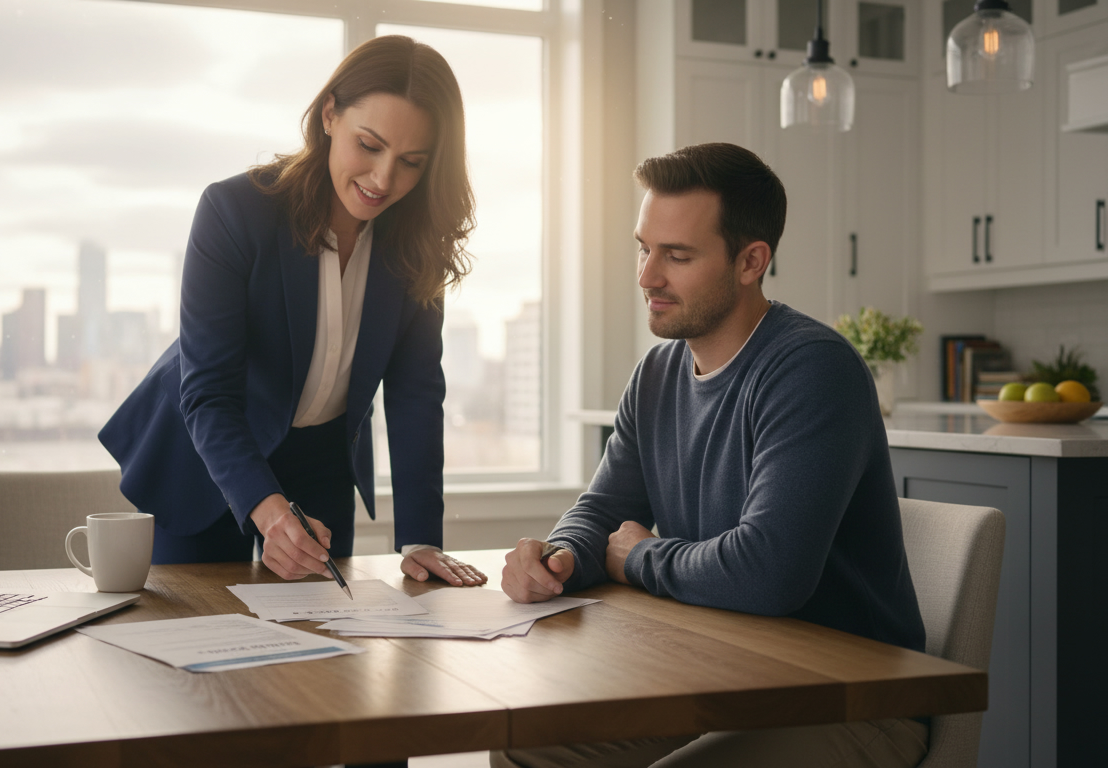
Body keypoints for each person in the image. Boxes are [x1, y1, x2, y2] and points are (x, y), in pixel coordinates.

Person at [497, 143, 928, 767]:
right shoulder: (656, 375)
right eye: (644, 249)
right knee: (527, 750)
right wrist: (560, 557)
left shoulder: (812, 370)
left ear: (751, 261)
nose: (647, 277)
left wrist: (640, 557)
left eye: (677, 256)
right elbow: (603, 512)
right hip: (723, 674)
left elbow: (769, 572)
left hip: (850, 698)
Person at [100, 35, 487, 590]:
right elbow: (208, 392)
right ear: (329, 115)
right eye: (369, 145)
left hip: (321, 460)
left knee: (323, 634)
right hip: (208, 454)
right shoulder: (234, 211)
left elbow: (416, 393)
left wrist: (421, 539)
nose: (383, 179)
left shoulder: (417, 243)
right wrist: (267, 508)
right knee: (201, 628)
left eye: (410, 162)